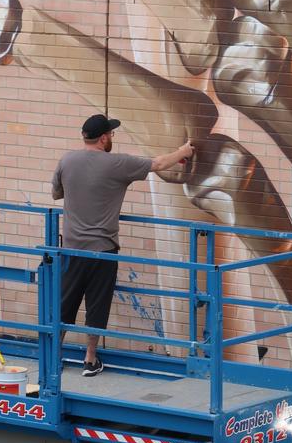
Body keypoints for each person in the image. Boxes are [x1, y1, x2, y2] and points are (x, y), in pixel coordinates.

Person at [51, 113, 194, 376]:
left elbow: (56, 193)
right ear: (104, 138)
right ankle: (90, 359)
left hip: (70, 247)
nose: (112, 139)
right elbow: (159, 164)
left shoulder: (67, 160)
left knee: (64, 303)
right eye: (112, 135)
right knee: (97, 304)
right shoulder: (117, 164)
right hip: (103, 250)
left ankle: (53, 357)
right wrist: (183, 151)